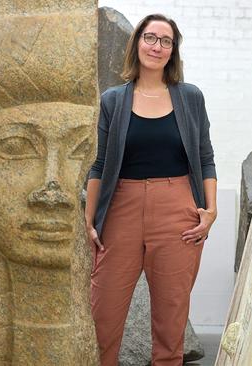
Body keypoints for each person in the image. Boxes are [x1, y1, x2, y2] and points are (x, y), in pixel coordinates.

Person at [85, 13, 218, 366]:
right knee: (103, 317)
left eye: (166, 41)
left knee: (170, 323)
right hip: (121, 211)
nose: (157, 46)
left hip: (177, 211)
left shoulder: (190, 98)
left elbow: (205, 157)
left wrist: (211, 210)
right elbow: (98, 165)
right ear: (137, 43)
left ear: (173, 51)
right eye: (150, 38)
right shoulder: (113, 100)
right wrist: (89, 220)